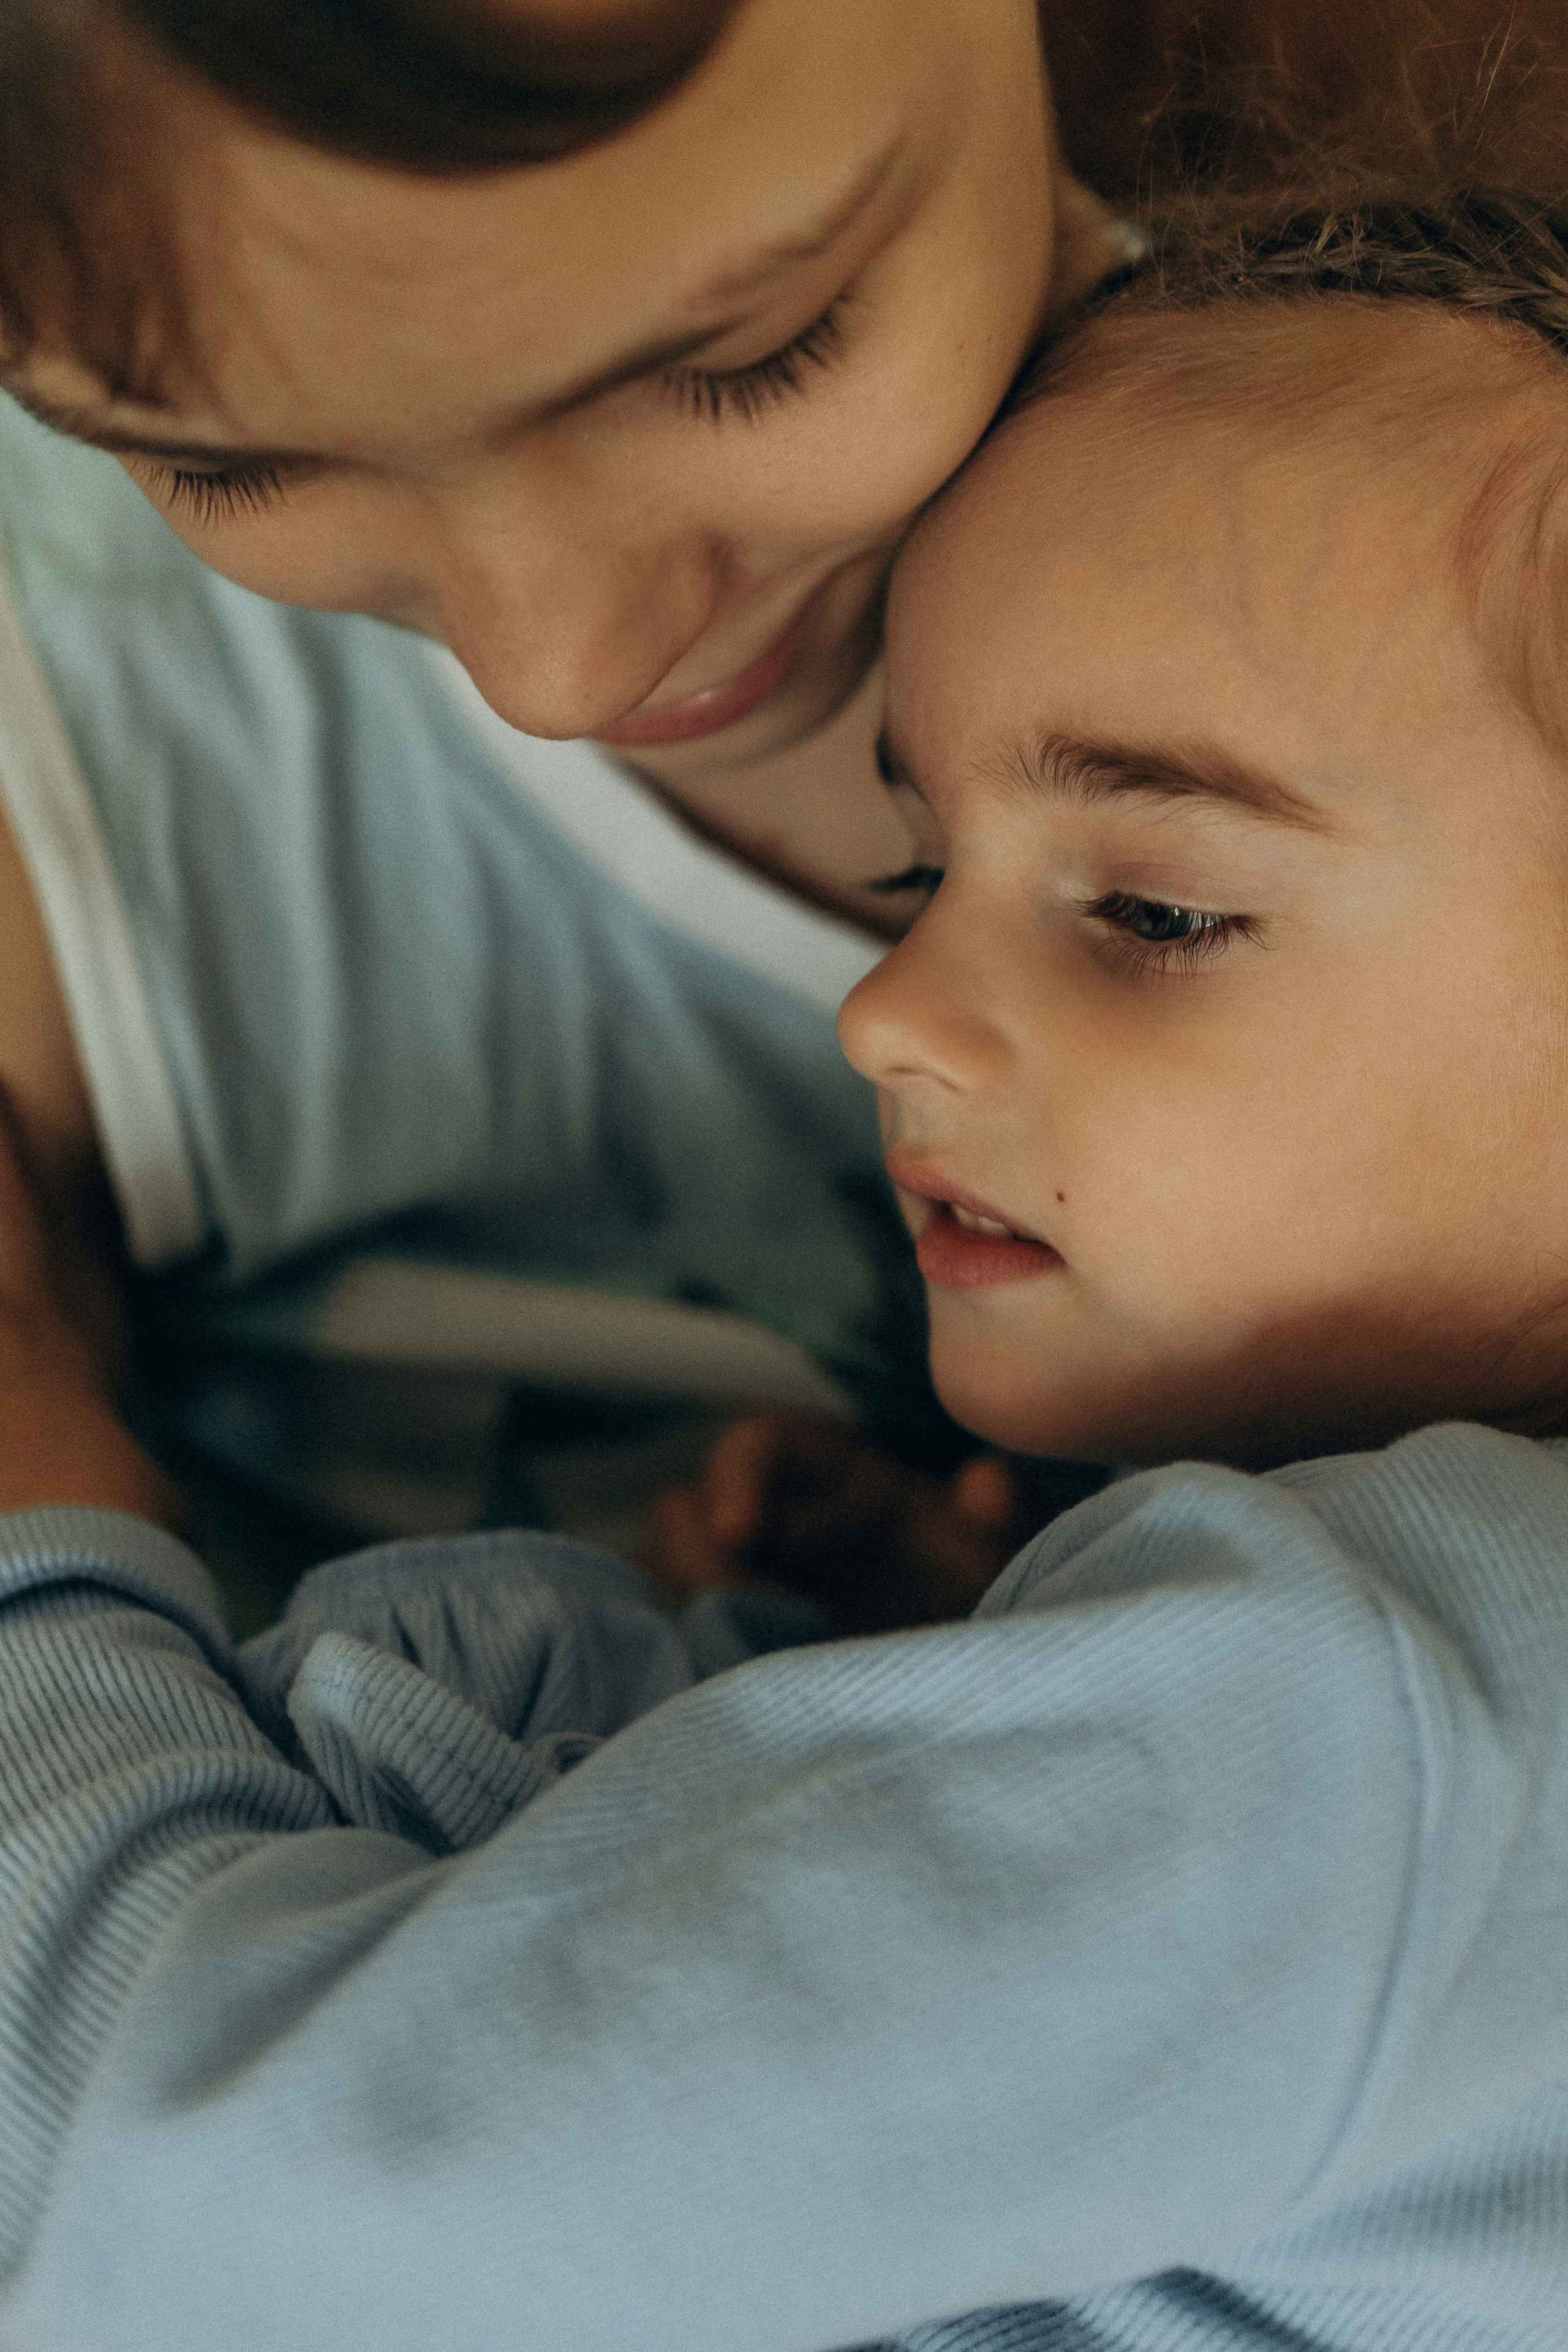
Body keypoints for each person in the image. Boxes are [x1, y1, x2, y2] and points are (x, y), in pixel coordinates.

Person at [7, 182, 1568, 2349]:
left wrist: (33, 1525)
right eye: (924, 866)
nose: (886, 1010)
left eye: (1154, 910)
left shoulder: (1376, 1740)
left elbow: (180, 2203)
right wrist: (967, 1686)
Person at [0, 0, 1558, 1609]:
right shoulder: (59, 665)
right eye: (229, 465)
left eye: (754, 356)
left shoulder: (1491, 587)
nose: (564, 674)